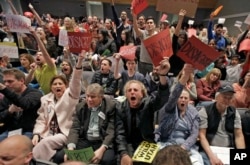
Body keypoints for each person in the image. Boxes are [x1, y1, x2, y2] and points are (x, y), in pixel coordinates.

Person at [31, 50, 85, 161]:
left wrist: (79, 62)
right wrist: (36, 133)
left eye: (60, 84)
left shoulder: (71, 95)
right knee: (33, 142)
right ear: (51, 87)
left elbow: (75, 81)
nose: (57, 86)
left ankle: (33, 162)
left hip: (64, 133)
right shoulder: (45, 99)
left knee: (45, 143)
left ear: (66, 86)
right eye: (54, 84)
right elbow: (41, 119)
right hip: (47, 132)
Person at [116, 58, 170, 165]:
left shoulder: (148, 103)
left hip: (146, 143)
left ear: (142, 94)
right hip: (128, 144)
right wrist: (123, 153)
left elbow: (162, 98)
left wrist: (162, 75)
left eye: (135, 90)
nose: (132, 92)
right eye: (129, 90)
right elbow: (120, 134)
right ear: (126, 94)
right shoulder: (120, 108)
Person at [156, 64, 203, 165]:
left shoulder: (193, 112)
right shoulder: (170, 109)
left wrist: (184, 147)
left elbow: (194, 134)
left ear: (189, 100)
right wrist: (185, 75)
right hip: (167, 144)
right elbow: (174, 94)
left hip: (186, 147)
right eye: (180, 97)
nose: (183, 99)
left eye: (185, 98)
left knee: (197, 162)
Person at [64, 83, 116, 165]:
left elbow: (111, 131)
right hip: (85, 140)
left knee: (107, 160)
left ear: (101, 97)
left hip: (102, 141)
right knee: (62, 156)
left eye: (93, 97)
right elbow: (75, 128)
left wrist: (102, 150)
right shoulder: (80, 107)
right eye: (87, 96)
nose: (89, 99)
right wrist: (71, 147)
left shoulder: (110, 107)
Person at [199, 85, 245, 165]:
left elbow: (239, 135)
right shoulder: (205, 111)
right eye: (224, 97)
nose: (227, 100)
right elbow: (202, 135)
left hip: (229, 149)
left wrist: (241, 155)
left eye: (230, 98)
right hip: (210, 149)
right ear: (217, 97)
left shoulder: (234, 112)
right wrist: (212, 157)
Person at [0, 69, 43, 141]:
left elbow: (24, 104)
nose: (6, 84)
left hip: (30, 131)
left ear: (22, 81)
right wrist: (9, 111)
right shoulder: (7, 97)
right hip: (11, 131)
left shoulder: (35, 93)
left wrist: (4, 89)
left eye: (10, 81)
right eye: (5, 82)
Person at [26, 27, 57, 95]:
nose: (38, 56)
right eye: (37, 55)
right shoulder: (35, 68)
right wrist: (32, 71)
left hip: (56, 93)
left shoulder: (50, 66)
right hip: (46, 95)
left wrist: (35, 35)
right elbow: (26, 82)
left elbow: (45, 53)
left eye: (40, 55)